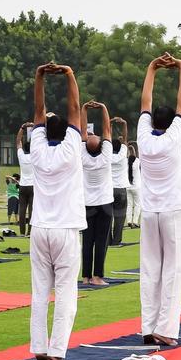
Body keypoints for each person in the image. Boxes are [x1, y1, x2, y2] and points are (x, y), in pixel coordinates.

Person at [29, 63, 86, 360]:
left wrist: (40, 77)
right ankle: (57, 350)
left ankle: (39, 347)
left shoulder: (37, 147)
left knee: (40, 291)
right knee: (65, 292)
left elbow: (39, 109)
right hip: (64, 229)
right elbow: (75, 107)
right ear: (68, 133)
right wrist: (69, 75)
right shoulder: (70, 148)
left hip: (40, 228)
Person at [136, 52, 181, 346]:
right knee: (171, 271)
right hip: (172, 210)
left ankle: (147, 326)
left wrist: (152, 68)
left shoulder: (144, 136)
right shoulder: (173, 137)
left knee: (150, 269)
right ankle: (165, 329)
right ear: (171, 124)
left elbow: (145, 102)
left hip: (150, 211)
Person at [80, 100, 114, 286]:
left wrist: (84, 109)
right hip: (104, 204)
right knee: (101, 241)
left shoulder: (82, 155)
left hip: (87, 203)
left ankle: (86, 277)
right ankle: (97, 277)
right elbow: (108, 129)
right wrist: (104, 108)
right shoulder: (106, 156)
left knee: (87, 242)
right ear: (102, 145)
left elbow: (82, 131)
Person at [110, 117, 130, 245]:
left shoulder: (106, 154)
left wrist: (109, 124)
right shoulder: (123, 154)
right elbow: (125, 139)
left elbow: (106, 138)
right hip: (121, 189)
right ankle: (117, 241)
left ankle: (107, 240)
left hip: (108, 189)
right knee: (119, 217)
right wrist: (124, 124)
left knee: (106, 217)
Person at [16, 123, 35, 236]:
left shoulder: (21, 156)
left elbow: (18, 141)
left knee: (22, 210)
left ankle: (22, 232)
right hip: (32, 186)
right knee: (32, 210)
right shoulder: (35, 156)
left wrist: (22, 127)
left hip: (23, 185)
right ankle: (30, 231)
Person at [127, 144, 141, 228]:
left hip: (128, 187)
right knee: (137, 205)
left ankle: (129, 220)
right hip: (137, 186)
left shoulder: (125, 162)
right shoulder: (137, 161)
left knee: (129, 204)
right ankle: (135, 221)